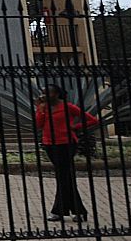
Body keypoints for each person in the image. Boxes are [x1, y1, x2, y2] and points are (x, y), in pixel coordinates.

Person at [34, 85, 100, 223]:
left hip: (66, 144)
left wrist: (75, 127)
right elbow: (39, 125)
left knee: (63, 176)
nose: (44, 96)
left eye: (48, 93)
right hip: (49, 144)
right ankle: (73, 211)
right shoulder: (44, 108)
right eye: (43, 93)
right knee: (65, 177)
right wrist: (40, 109)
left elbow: (92, 120)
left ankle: (64, 211)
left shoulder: (68, 107)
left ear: (57, 94)